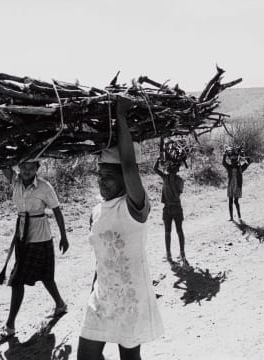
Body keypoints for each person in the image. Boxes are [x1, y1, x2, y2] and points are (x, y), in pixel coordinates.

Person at [77, 96, 163, 360]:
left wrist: (121, 117)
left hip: (131, 298)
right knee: (86, 357)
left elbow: (128, 164)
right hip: (102, 297)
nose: (102, 183)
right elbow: (100, 260)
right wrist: (94, 291)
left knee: (129, 358)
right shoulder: (96, 211)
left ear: (125, 180)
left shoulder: (134, 206)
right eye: (100, 176)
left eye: (109, 177)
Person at [0, 160, 69, 337]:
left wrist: (64, 236)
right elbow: (1, 164)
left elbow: (57, 211)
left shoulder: (44, 187)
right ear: (19, 168)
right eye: (23, 167)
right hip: (23, 235)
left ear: (37, 169)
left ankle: (10, 325)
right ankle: (59, 305)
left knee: (41, 277)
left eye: (31, 168)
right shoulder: (15, 181)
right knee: (22, 278)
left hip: (40, 237)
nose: (27, 171)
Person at [153, 158, 187, 266]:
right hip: (177, 207)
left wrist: (158, 159)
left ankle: (168, 255)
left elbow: (155, 169)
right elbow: (179, 192)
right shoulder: (180, 180)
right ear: (177, 169)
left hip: (167, 209)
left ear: (168, 169)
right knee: (179, 231)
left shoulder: (165, 178)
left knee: (167, 232)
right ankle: (182, 253)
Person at [222, 149, 250, 222]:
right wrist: (225, 154)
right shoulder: (229, 167)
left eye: (234, 160)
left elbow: (248, 162)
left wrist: (244, 154)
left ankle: (239, 217)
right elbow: (223, 162)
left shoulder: (240, 168)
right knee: (230, 201)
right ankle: (231, 218)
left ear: (237, 160)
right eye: (232, 160)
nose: (233, 161)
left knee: (235, 202)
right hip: (231, 185)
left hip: (237, 186)